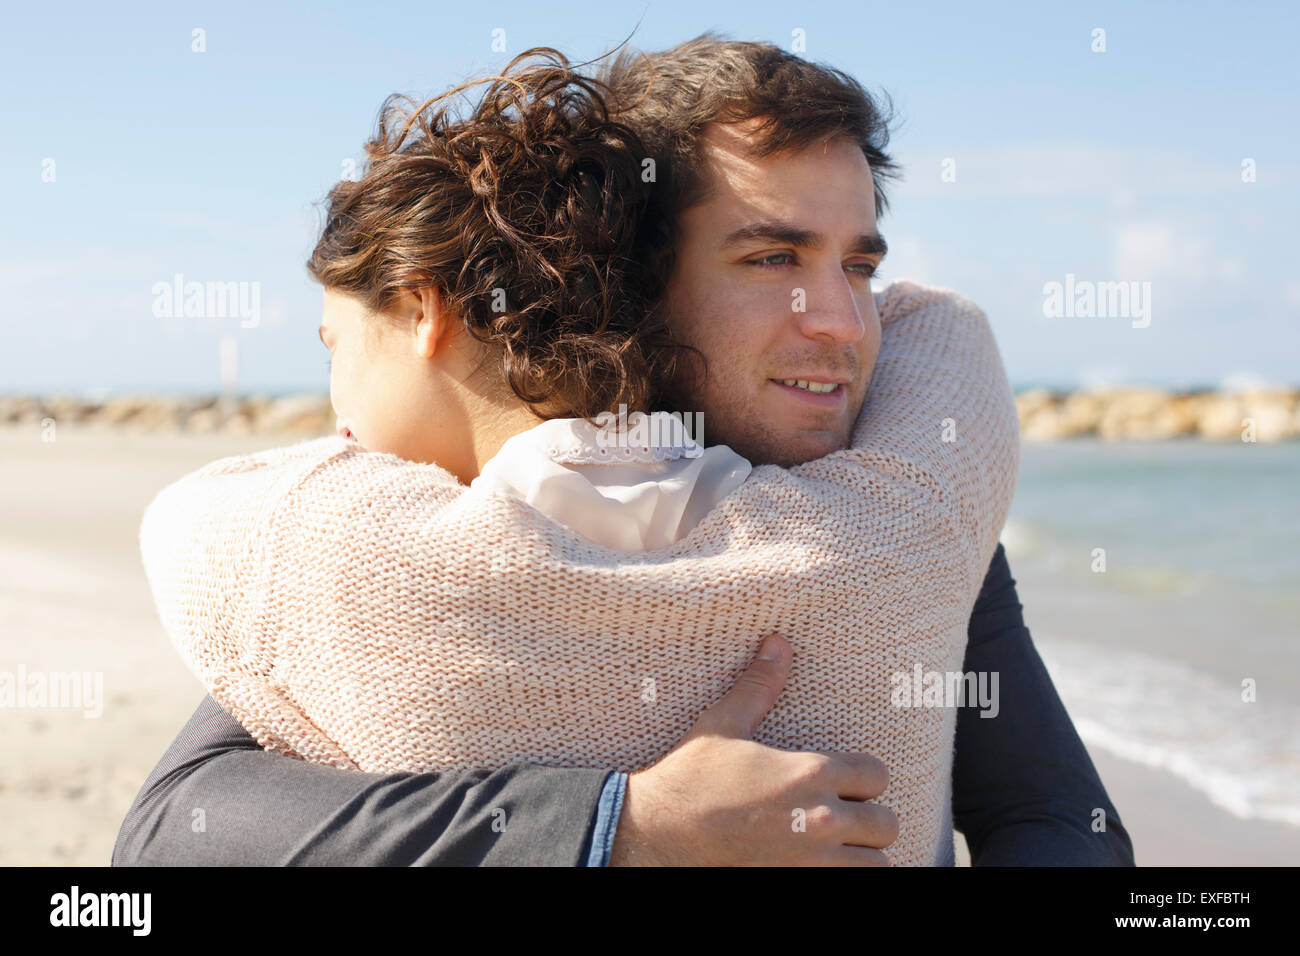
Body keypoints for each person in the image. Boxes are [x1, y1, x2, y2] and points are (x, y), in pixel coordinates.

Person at [114, 36, 1134, 867]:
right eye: (770, 256)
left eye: (858, 266)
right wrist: (622, 821)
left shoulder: (897, 496)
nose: (841, 322)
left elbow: (1056, 818)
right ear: (634, 276)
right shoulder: (419, 513)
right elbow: (180, 823)